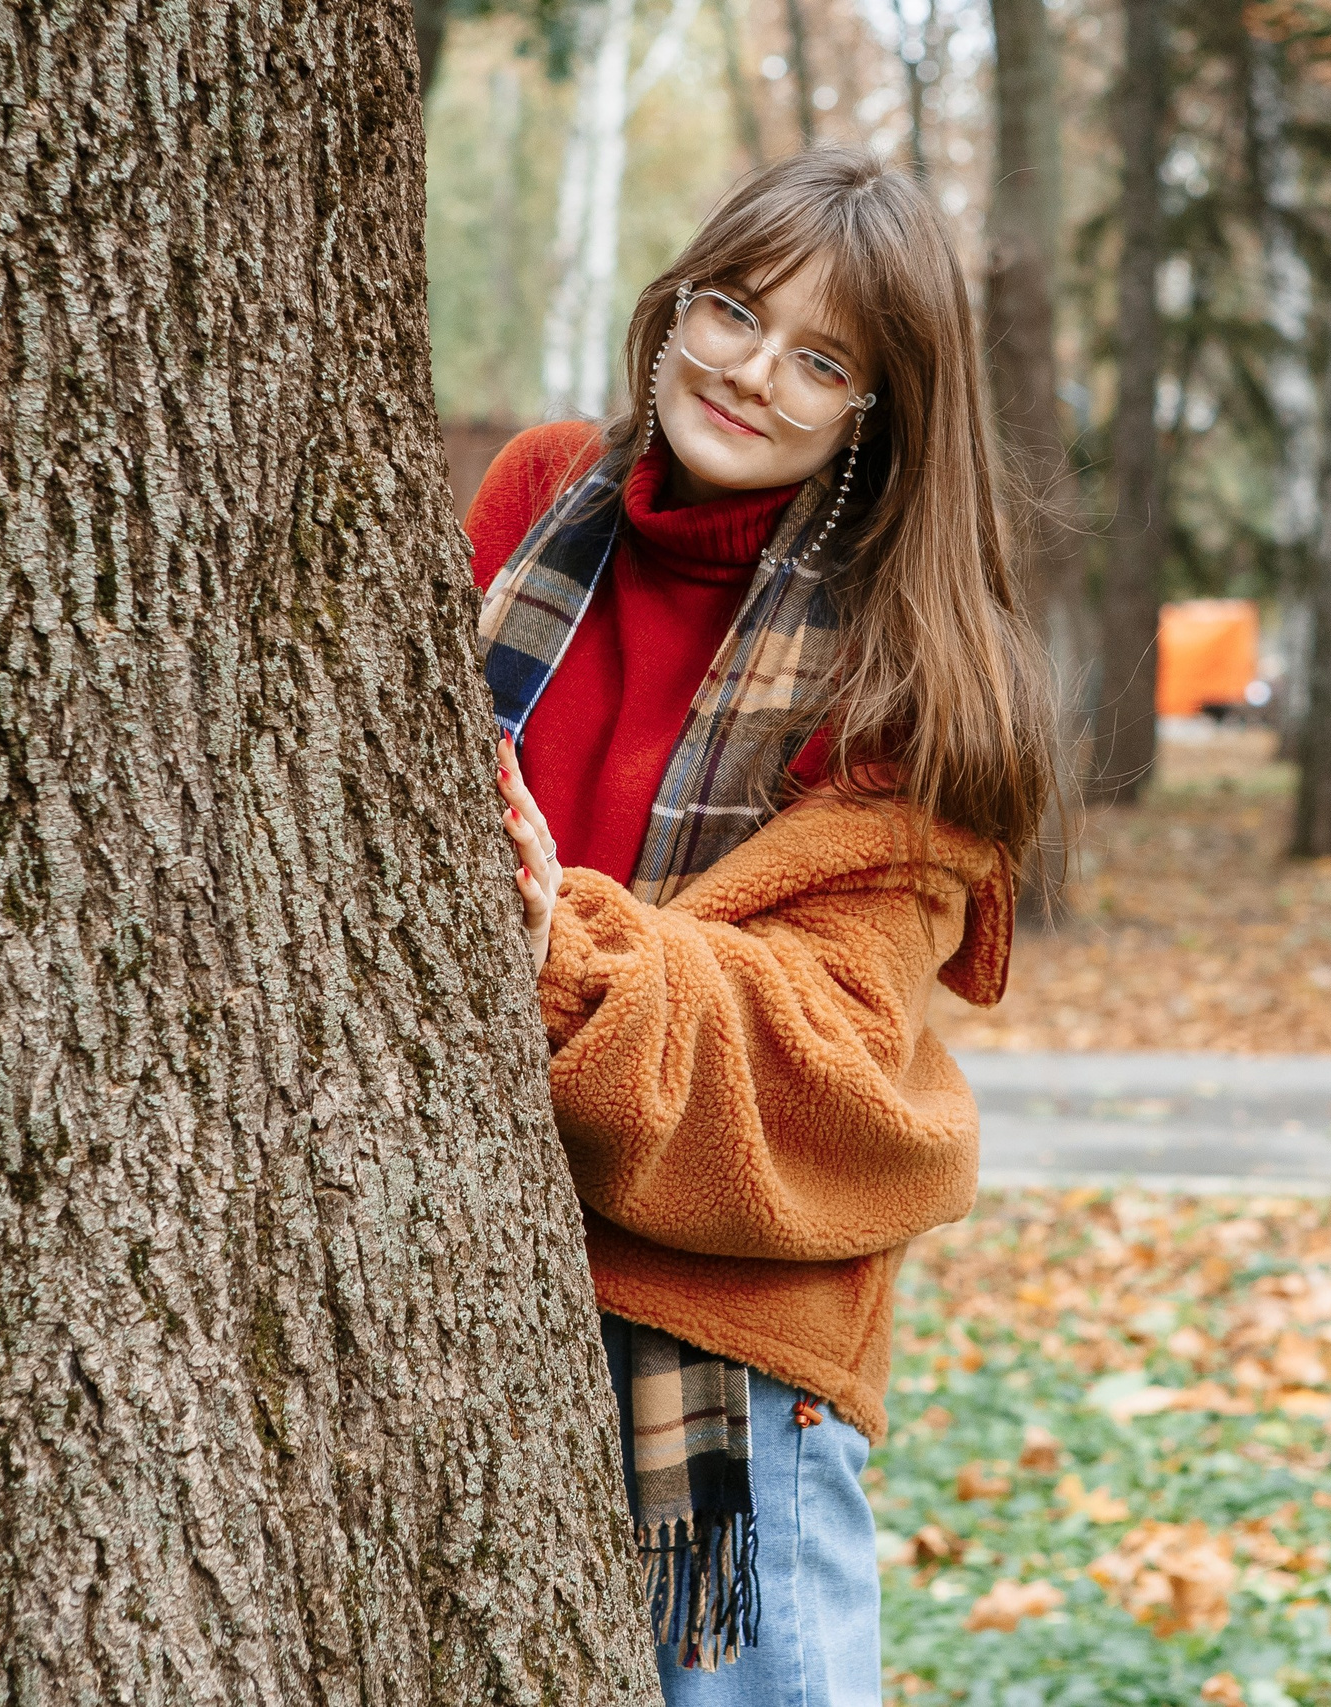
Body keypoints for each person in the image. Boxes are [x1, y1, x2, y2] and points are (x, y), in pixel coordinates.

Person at [466, 146, 1053, 1706]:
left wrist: (559, 945)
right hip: (468, 1260)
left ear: (878, 411)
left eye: (822, 360)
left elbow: (833, 1050)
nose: (751, 371)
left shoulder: (907, 671)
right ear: (677, 306)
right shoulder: (537, 498)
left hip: (720, 1343)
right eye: (734, 310)